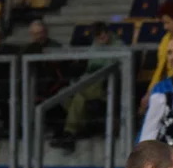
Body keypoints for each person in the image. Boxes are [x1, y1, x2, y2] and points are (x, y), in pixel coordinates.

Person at [50, 22, 122, 153]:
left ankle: (69, 133)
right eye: (98, 36)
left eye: (104, 34)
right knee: (65, 96)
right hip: (90, 82)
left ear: (108, 32)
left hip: (107, 85)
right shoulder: (95, 47)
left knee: (79, 96)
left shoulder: (118, 46)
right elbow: (89, 68)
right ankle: (74, 131)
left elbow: (118, 69)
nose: (102, 37)